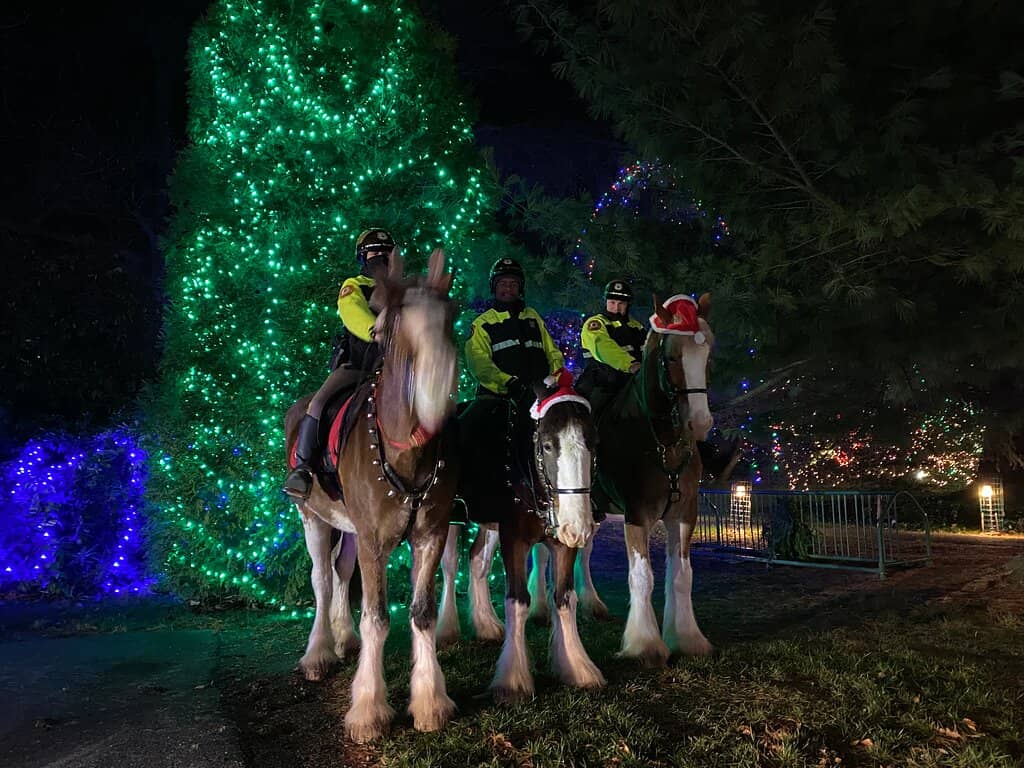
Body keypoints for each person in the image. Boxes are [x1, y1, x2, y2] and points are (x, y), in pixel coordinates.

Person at [283, 228, 395, 500]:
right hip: (357, 367)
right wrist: (374, 330)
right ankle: (303, 469)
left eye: (384, 252)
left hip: (393, 370)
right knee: (318, 403)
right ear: (362, 257)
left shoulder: (402, 288)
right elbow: (351, 312)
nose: (379, 256)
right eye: (372, 252)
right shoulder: (353, 285)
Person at [460, 258, 565, 515]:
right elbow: (479, 362)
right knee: (466, 429)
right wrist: (507, 382)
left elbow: (552, 352)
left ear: (521, 288)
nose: (508, 288)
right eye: (503, 284)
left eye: (513, 284)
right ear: (494, 288)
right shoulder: (483, 323)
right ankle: (461, 499)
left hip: (538, 396)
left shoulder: (533, 318)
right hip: (500, 397)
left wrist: (555, 376)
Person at [575, 278, 646, 413]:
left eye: (621, 303)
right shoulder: (596, 323)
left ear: (628, 304)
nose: (616, 307)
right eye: (612, 302)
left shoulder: (636, 326)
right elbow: (604, 347)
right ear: (606, 302)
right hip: (602, 382)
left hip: (633, 382)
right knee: (589, 416)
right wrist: (631, 365)